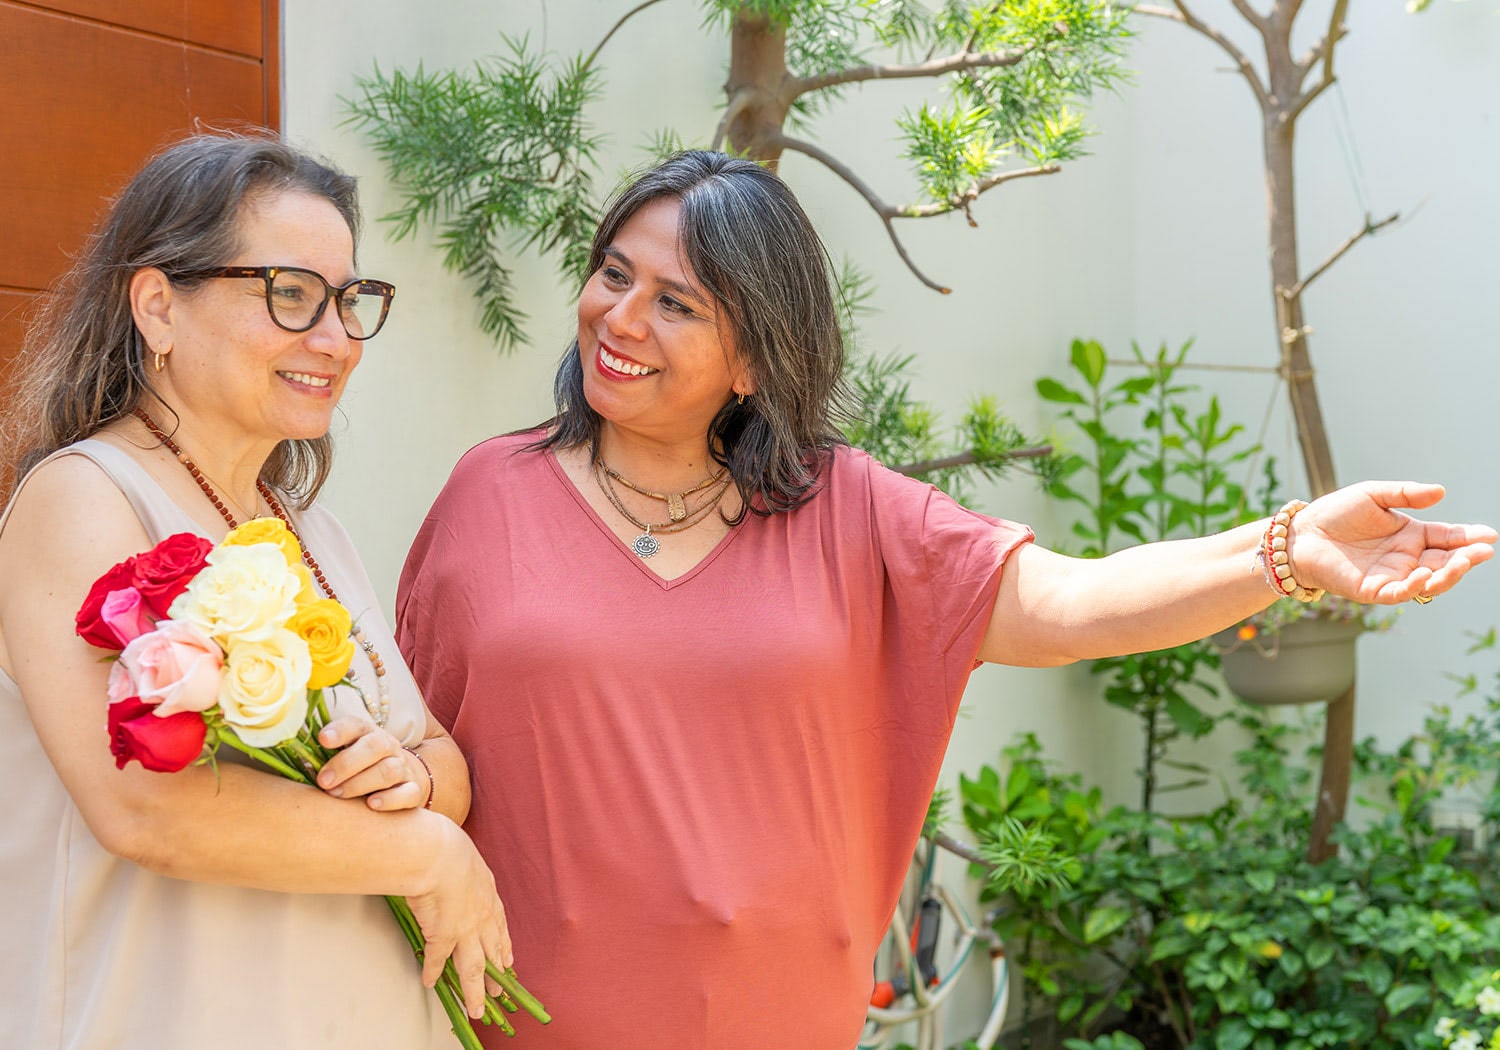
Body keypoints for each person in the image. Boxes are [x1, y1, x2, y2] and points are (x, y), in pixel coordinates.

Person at [393, 150, 1496, 1049]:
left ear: (752, 360)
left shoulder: (850, 509)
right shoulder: (491, 496)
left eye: (676, 301)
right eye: (612, 274)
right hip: (517, 1024)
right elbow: (410, 753)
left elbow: (1073, 602)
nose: (620, 317)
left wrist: (1287, 548)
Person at [0, 133, 514, 1049]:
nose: (336, 340)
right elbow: (143, 810)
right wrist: (427, 852)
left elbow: (440, 755)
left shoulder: (312, 529)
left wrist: (412, 781)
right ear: (157, 306)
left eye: (349, 301)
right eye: (290, 294)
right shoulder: (84, 497)